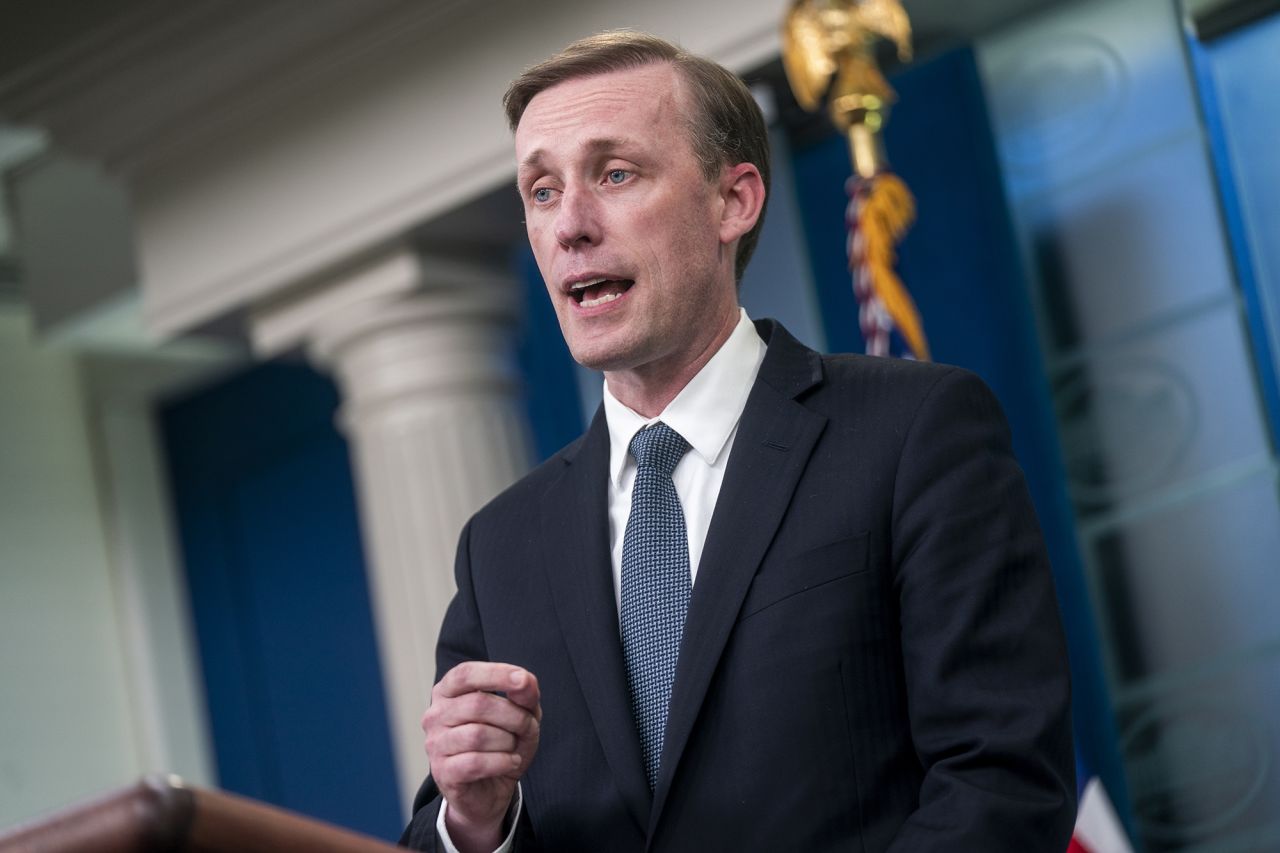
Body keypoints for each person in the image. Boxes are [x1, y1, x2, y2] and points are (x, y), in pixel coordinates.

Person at [400, 30, 1075, 853]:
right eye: (541, 190)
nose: (569, 225)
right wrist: (474, 822)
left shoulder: (912, 432)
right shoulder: (499, 548)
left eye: (615, 174)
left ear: (734, 201)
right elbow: (439, 833)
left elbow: (1001, 782)